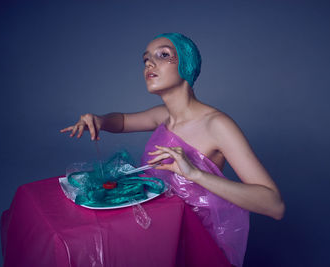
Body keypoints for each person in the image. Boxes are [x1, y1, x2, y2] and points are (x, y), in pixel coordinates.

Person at [61, 33, 285, 267]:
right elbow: (123, 121)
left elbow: (274, 205)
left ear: (187, 65)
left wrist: (195, 174)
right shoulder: (164, 116)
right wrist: (100, 121)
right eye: (146, 59)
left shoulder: (216, 125)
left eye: (163, 55)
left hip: (199, 245)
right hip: (161, 237)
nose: (149, 63)